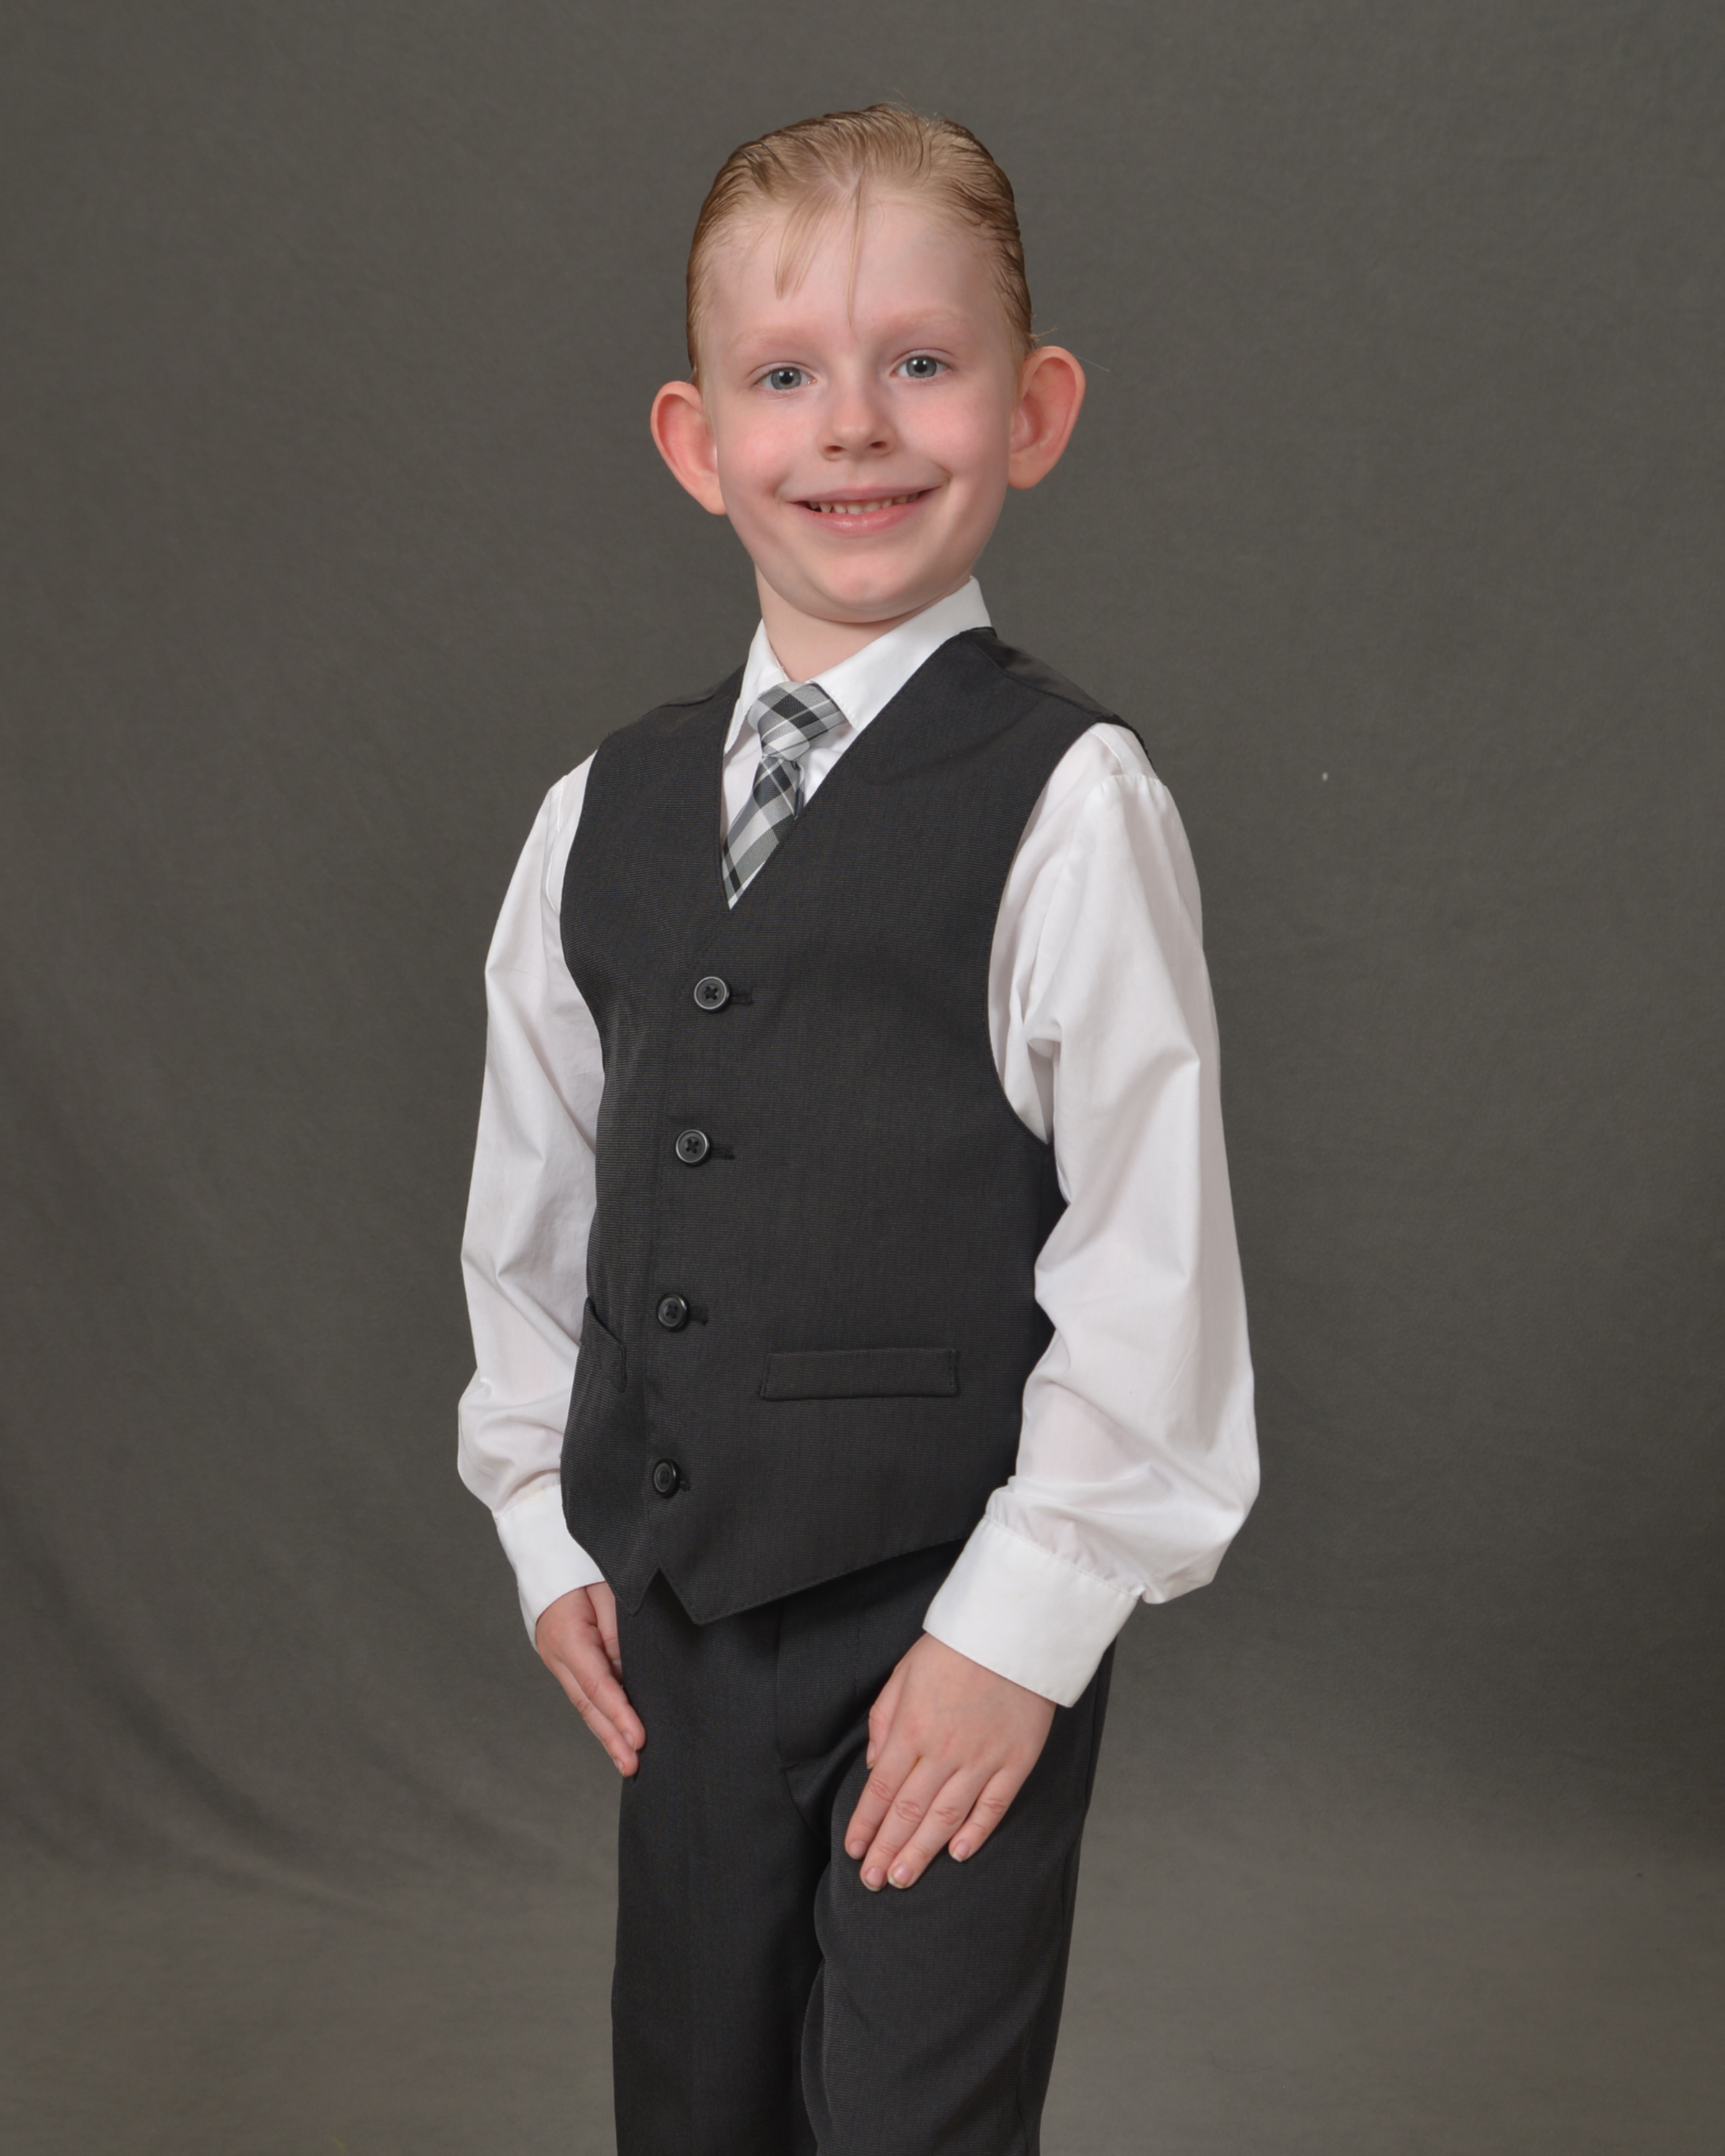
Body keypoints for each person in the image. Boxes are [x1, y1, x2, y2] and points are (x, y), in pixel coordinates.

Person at [458, 103, 1259, 2156]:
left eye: (921, 361)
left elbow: (1149, 1262)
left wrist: (1021, 1632)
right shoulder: (598, 815)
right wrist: (543, 1522)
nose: (856, 429)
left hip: (951, 1614)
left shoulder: (1071, 804)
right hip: (679, 1624)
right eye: (785, 376)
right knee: (695, 2105)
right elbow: (536, 1210)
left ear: (1034, 408)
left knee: (915, 2119)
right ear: (695, 438)